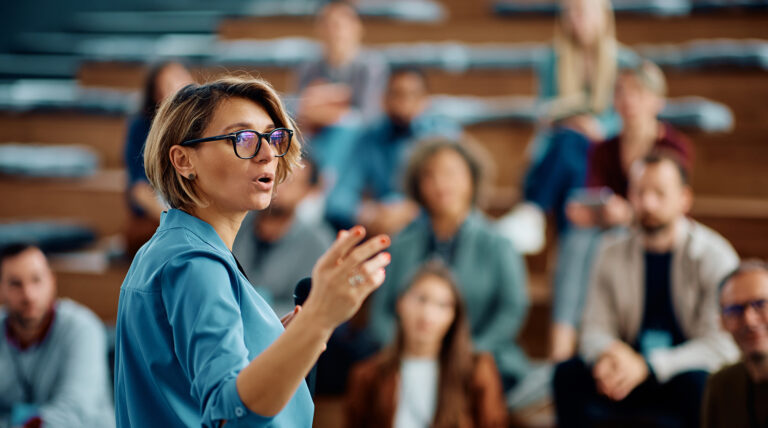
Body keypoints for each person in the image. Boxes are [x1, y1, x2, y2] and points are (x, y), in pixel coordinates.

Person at [113, 77, 392, 427]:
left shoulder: (171, 247)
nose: (267, 154)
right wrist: (319, 320)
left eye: (273, 137)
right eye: (241, 138)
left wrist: (280, 339)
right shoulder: (194, 262)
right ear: (184, 160)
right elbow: (230, 413)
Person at [553, 153, 740, 428]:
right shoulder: (609, 251)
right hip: (624, 374)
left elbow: (720, 345)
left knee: (700, 383)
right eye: (640, 193)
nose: (648, 203)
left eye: (660, 193)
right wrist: (609, 354)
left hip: (677, 374)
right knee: (567, 374)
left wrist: (649, 365)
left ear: (684, 198)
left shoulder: (714, 256)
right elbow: (593, 328)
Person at [549, 60, 694, 361]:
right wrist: (588, 210)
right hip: (610, 229)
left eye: (637, 93)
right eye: (621, 92)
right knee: (578, 237)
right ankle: (561, 344)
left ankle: (581, 343)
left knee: (600, 241)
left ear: (657, 100)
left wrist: (628, 213)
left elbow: (671, 204)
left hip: (652, 227)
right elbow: (596, 195)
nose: (627, 100)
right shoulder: (604, 148)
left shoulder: (674, 145)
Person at [369, 138, 529, 392]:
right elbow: (381, 314)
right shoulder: (401, 244)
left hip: (479, 359)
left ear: (472, 179)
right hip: (406, 361)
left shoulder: (498, 243)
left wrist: (466, 353)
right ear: (417, 186)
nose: (440, 184)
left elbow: (511, 311)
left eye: (450, 173)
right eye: (429, 176)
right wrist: (408, 352)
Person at [498, 0, 638, 252]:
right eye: (570, 13)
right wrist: (568, 121)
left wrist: (597, 127)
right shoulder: (551, 59)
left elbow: (628, 116)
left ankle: (534, 210)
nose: (576, 19)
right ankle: (567, 241)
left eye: (582, 12)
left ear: (602, 16)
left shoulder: (624, 62)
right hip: (564, 148)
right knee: (571, 151)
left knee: (572, 150)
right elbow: (543, 111)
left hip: (604, 150)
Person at [346, 261, 508, 428]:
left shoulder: (477, 370)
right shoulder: (368, 375)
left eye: (442, 305)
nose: (428, 314)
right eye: (421, 299)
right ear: (400, 302)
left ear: (454, 316)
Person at [325, 68, 463, 235]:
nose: (403, 102)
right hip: (379, 227)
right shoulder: (368, 139)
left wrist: (411, 210)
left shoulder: (441, 137)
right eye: (396, 94)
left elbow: (456, 193)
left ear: (425, 100)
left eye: (412, 94)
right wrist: (366, 213)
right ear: (383, 99)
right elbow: (338, 199)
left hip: (429, 227)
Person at [0, 243, 114, 428]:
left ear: (52, 281)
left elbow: (74, 413)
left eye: (36, 280)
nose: (29, 295)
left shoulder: (83, 328)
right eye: (15, 284)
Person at [233, 157, 334, 316]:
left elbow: (307, 308)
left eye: (290, 181)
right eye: (276, 176)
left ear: (308, 191)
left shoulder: (316, 242)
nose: (279, 186)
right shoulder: (235, 221)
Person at [123, 61, 195, 256]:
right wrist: (177, 220)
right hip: (158, 217)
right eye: (169, 85)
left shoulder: (201, 124)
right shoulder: (142, 128)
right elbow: (139, 191)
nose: (180, 89)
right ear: (156, 97)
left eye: (183, 80)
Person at [296, 1, 389, 123]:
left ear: (357, 28)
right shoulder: (308, 67)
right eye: (326, 25)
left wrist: (326, 101)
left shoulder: (372, 66)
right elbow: (299, 112)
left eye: (339, 25)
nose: (333, 33)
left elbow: (369, 116)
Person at [702, 260, 768, 428]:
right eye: (734, 310)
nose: (749, 320)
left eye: (760, 304)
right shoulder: (721, 385)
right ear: (722, 322)